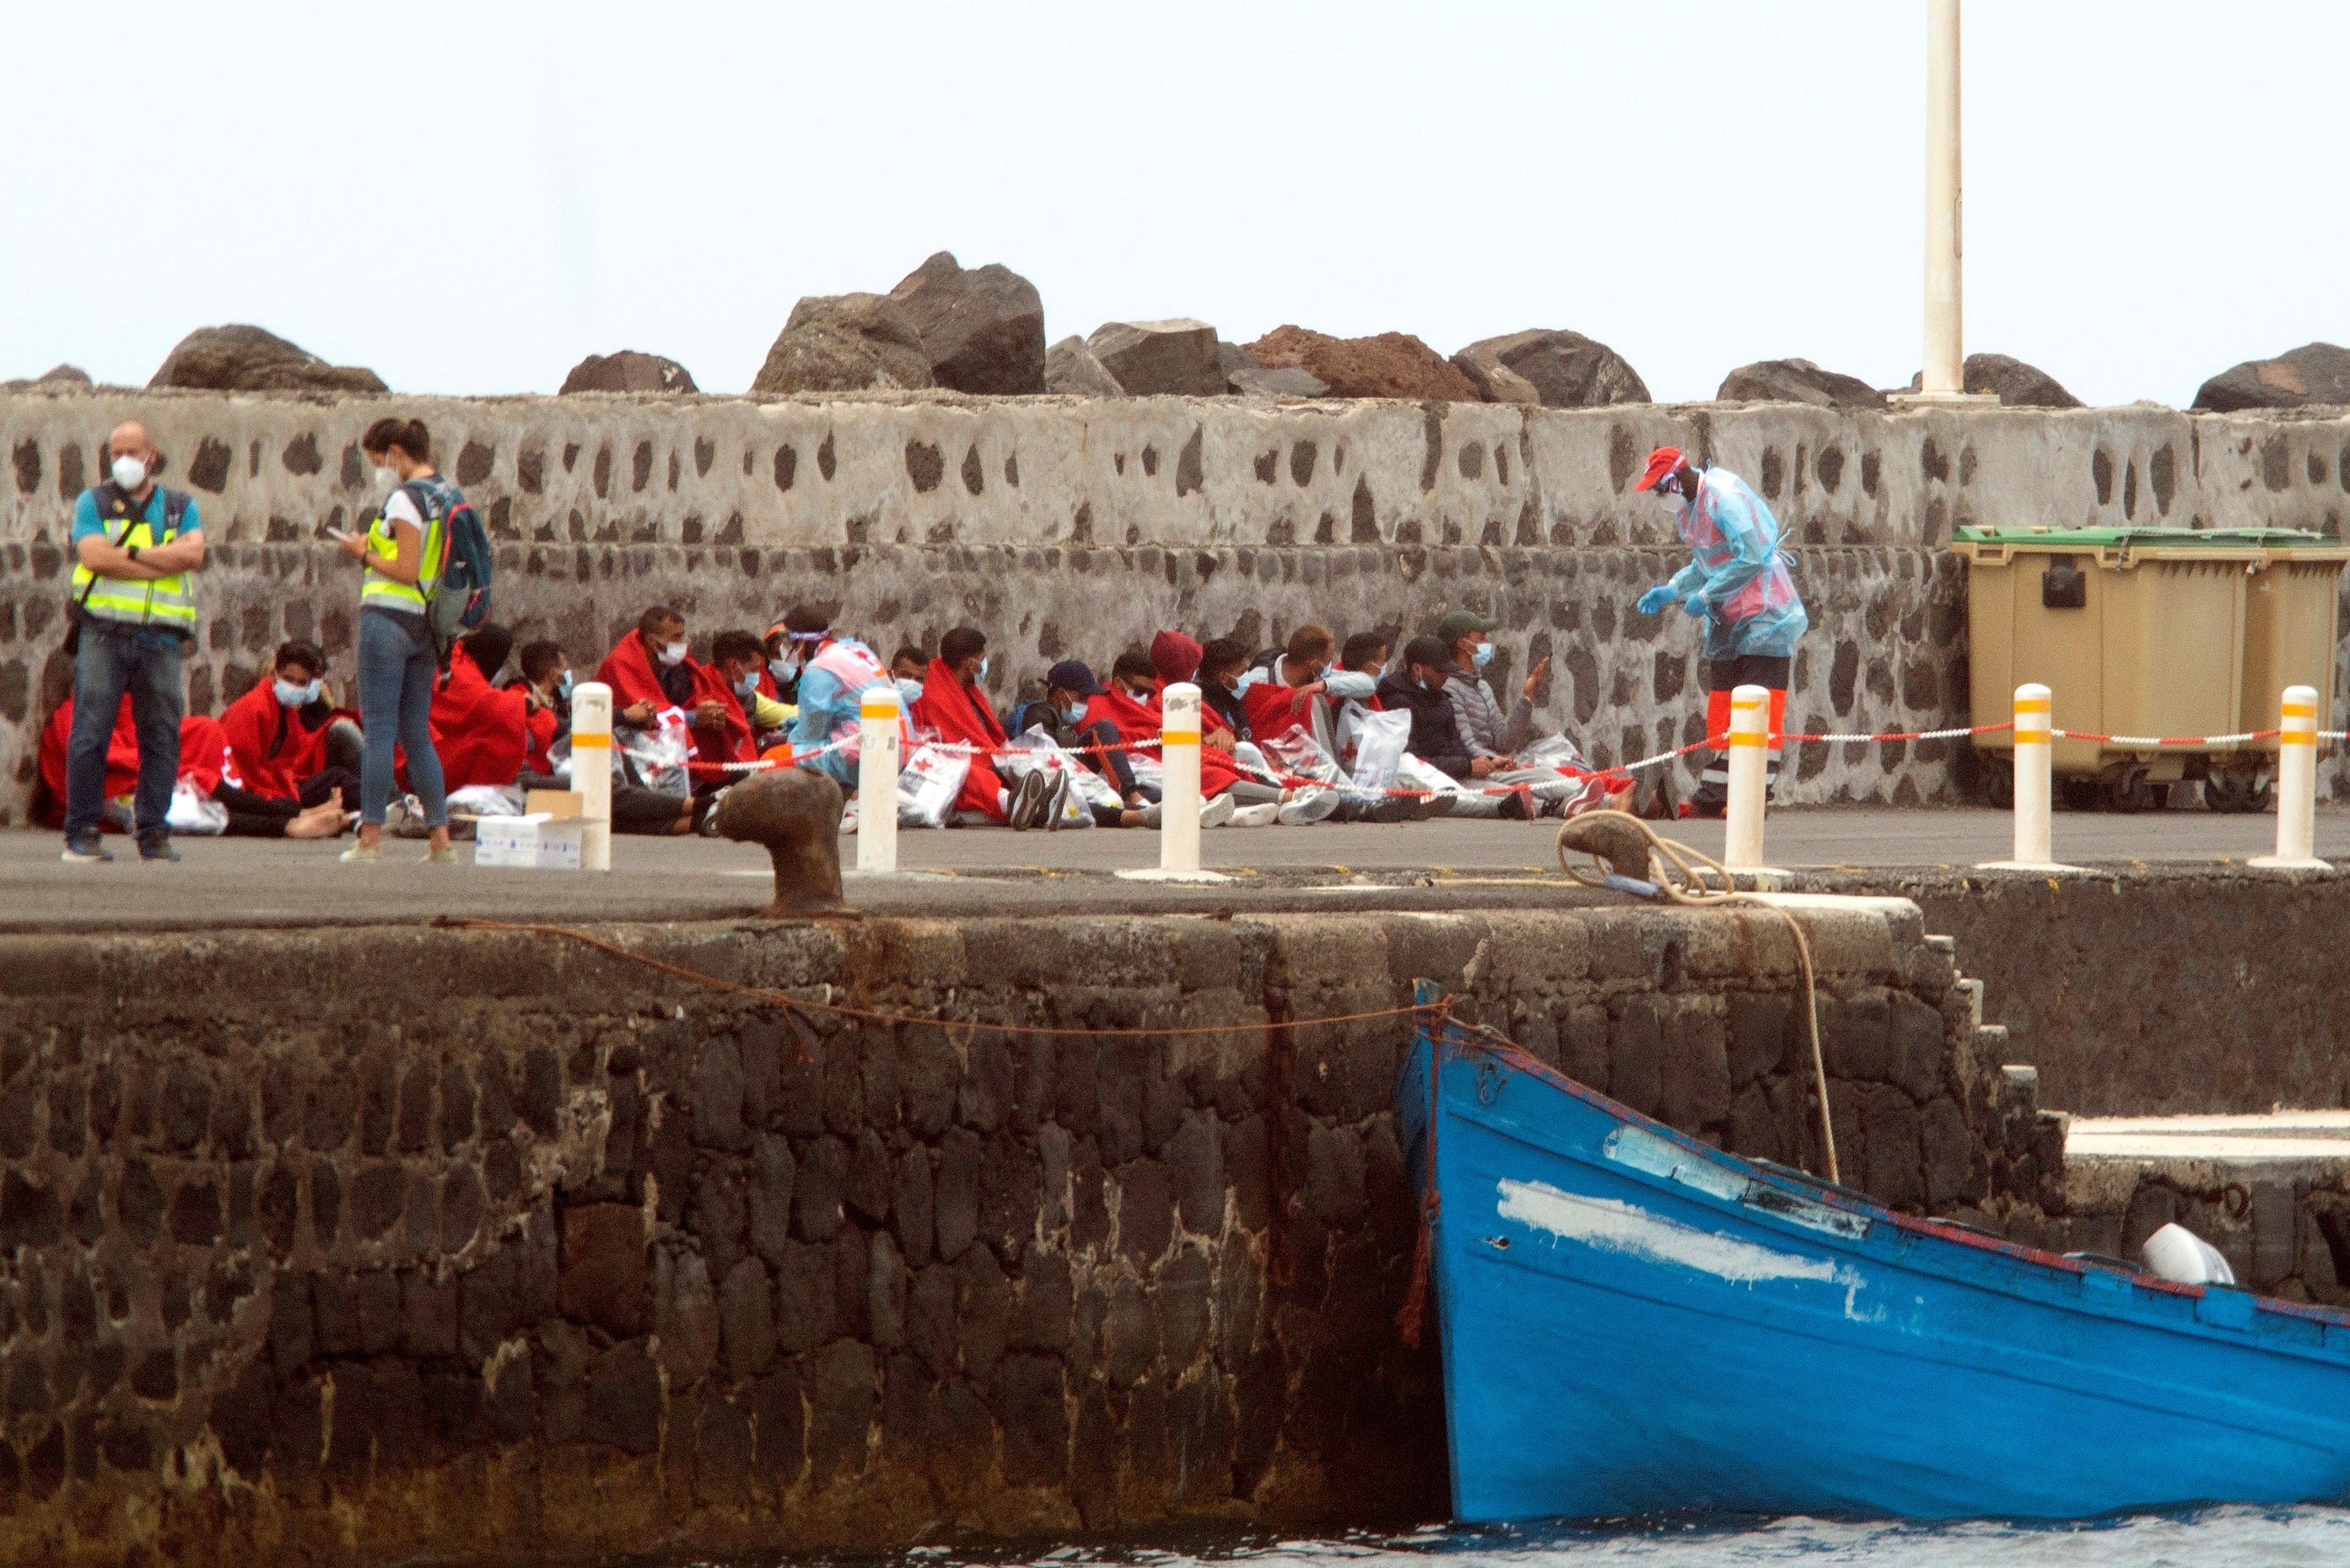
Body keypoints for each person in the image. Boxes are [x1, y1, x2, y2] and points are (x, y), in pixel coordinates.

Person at [1633, 445, 1809, 816]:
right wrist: (1674, 588)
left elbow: (1751, 556)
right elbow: (1705, 562)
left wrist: (1708, 593)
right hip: (1730, 618)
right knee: (1723, 709)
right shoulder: (1690, 511)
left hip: (1765, 613)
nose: (1659, 497)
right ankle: (1715, 795)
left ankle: (1752, 797)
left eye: (1659, 488)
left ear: (1676, 479)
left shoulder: (1723, 500)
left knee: (1761, 708)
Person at [61, 419, 208, 863]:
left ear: (152, 455)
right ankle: (82, 832)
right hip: (103, 631)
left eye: (132, 451)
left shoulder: (182, 506)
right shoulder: (95, 502)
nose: (123, 461)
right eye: (115, 452)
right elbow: (92, 556)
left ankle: (153, 832)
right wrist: (160, 561)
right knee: (90, 734)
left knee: (162, 737)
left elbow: (194, 554)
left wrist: (128, 555)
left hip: (161, 638)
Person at [333, 417, 456, 865]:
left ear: (397, 453)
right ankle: (440, 840)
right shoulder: (447, 496)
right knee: (417, 733)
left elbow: (405, 569)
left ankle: (369, 839)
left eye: (378, 460)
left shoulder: (406, 499)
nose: (380, 469)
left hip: (388, 621)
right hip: (426, 626)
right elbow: (425, 563)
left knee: (380, 730)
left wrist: (362, 553)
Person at [215, 640, 358, 838]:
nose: (294, 687)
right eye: (289, 680)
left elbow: (285, 766)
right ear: (275, 675)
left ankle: (373, 809)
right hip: (250, 793)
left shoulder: (287, 711)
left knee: (341, 779)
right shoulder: (252, 709)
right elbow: (241, 773)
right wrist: (283, 799)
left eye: (302, 683)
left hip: (278, 789)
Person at [913, 626, 1027, 825]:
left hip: (986, 756)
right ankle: (1011, 803)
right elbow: (950, 742)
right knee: (969, 772)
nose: (985, 664)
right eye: (982, 659)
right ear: (970, 663)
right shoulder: (935, 690)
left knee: (1035, 754)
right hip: (949, 760)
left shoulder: (968, 688)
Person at [783, 605, 897, 792]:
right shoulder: (855, 649)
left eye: (787, 640)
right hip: (893, 743)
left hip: (860, 755)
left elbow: (811, 734)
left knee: (774, 759)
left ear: (800, 642)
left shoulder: (819, 669)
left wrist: (788, 737)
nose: (784, 647)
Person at [430, 625, 557, 792]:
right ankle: (479, 798)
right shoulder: (462, 672)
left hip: (440, 747)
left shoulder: (460, 659)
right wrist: (524, 704)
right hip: (436, 752)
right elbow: (488, 704)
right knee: (506, 733)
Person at [710, 628, 793, 744]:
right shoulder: (702, 693)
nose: (757, 675)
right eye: (754, 669)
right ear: (733, 665)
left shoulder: (747, 696)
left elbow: (785, 713)